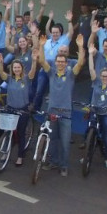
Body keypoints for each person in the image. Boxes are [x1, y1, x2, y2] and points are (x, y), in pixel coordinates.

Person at [36, 34, 86, 175]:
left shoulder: (71, 74)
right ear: (56, 62)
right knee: (52, 140)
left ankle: (63, 165)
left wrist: (81, 46)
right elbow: (42, 60)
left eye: (62, 62)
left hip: (65, 113)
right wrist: (41, 45)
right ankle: (53, 162)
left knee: (64, 143)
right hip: (51, 111)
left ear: (66, 63)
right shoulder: (51, 73)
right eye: (58, 61)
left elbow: (81, 63)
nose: (60, 63)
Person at [0, 47, 37, 167]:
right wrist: (0, 63)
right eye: (15, 67)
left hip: (22, 110)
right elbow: (1, 73)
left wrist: (34, 60)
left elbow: (33, 72)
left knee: (21, 133)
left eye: (18, 67)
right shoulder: (9, 79)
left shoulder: (26, 79)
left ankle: (20, 156)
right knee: (7, 132)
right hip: (10, 109)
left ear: (21, 68)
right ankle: (4, 153)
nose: (17, 69)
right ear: (12, 69)